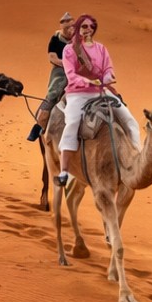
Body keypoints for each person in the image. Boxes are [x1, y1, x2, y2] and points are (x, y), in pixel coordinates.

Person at [54, 14, 140, 187]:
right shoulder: (70, 50)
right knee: (72, 123)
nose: (88, 30)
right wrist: (88, 81)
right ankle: (64, 171)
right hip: (77, 93)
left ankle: (137, 158)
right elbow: (71, 75)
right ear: (78, 28)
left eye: (91, 27)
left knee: (130, 120)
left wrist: (108, 77)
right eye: (84, 26)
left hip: (101, 91)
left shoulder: (101, 48)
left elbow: (108, 68)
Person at [28, 11, 76, 141]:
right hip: (61, 72)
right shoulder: (55, 39)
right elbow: (52, 57)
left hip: (77, 72)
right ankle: (39, 125)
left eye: (72, 27)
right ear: (62, 28)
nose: (70, 30)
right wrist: (67, 64)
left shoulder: (77, 40)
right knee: (54, 94)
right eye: (67, 28)